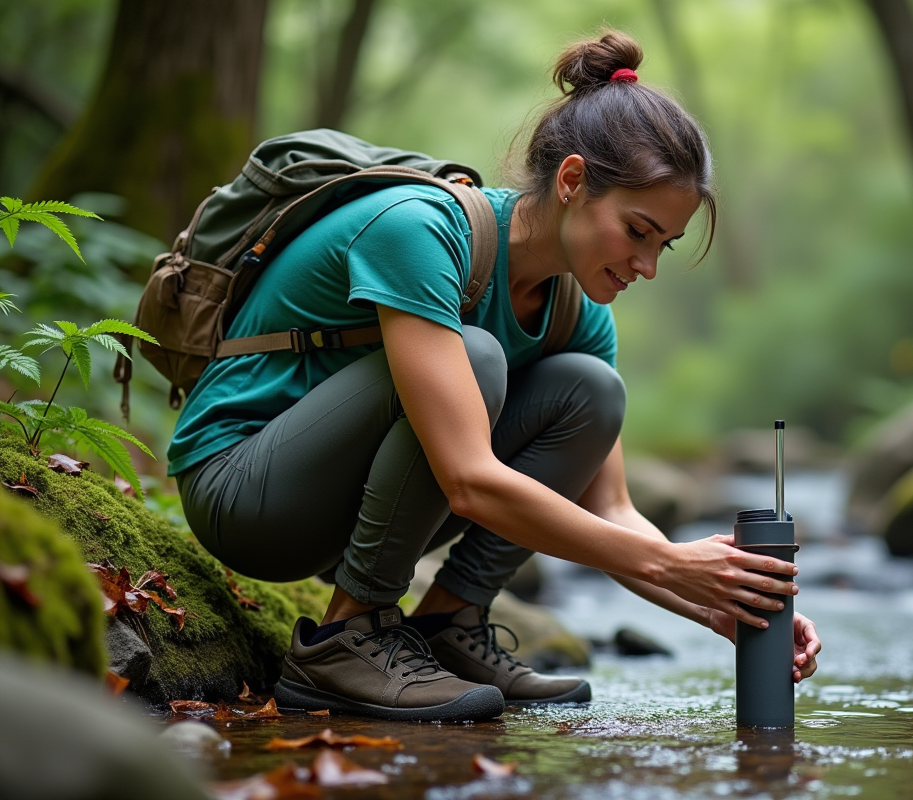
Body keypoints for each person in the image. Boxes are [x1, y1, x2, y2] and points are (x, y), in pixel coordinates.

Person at [168, 31, 820, 722]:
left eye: (664, 243)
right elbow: (468, 479)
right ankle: (344, 638)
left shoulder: (576, 308)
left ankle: (449, 624)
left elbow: (615, 511)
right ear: (571, 182)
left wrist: (721, 602)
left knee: (592, 393)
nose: (648, 266)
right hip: (244, 490)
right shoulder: (421, 233)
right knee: (475, 358)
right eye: (637, 231)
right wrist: (671, 566)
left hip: (341, 503)